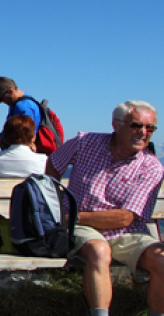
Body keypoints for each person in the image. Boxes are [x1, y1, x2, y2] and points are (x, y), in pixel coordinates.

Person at [46, 100, 164, 316]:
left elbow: (125, 218)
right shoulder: (84, 142)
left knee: (161, 261)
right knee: (99, 251)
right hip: (83, 230)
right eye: (136, 125)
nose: (143, 133)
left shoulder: (151, 166)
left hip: (124, 231)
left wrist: (73, 216)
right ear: (116, 125)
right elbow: (54, 162)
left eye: (150, 128)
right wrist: (53, 196)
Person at [0, 76, 63, 154]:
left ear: (10, 92)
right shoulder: (21, 102)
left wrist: (1, 141)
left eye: (1, 99)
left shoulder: (23, 107)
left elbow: (25, 139)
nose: (0, 102)